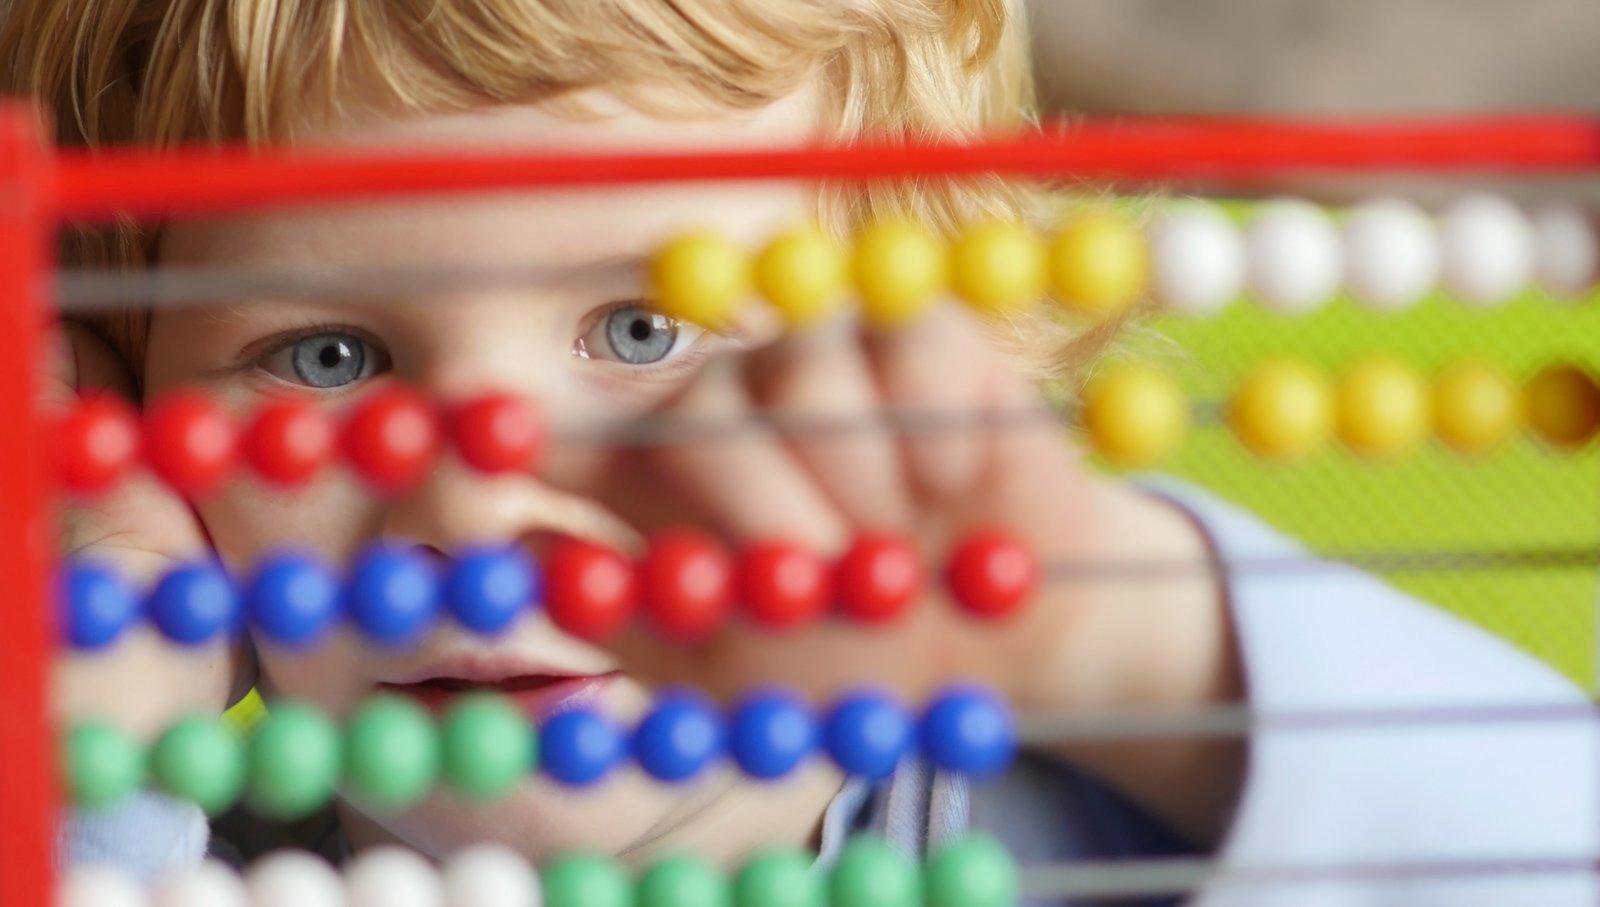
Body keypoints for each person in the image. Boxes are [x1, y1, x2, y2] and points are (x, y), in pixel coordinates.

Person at [5, 0, 1595, 903]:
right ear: (128, 417)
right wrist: (77, 738)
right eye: (330, 360)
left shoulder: (1080, 824)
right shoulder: (162, 856)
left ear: (935, 348)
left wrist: (1121, 643)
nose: (478, 502)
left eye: (644, 331)